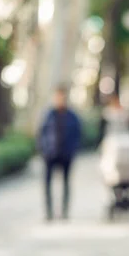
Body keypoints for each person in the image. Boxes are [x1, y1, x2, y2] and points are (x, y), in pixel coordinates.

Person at [37, 86, 82, 221]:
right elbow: (41, 134)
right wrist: (44, 149)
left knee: (66, 183)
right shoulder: (48, 115)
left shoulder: (72, 116)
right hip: (50, 154)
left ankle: (64, 212)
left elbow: (77, 135)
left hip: (66, 154)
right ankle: (49, 212)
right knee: (47, 184)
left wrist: (73, 150)